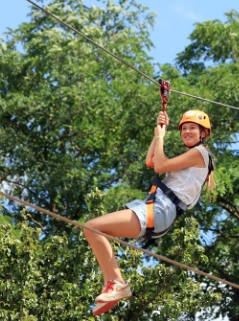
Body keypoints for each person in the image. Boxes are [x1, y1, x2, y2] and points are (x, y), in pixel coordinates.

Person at [83, 109, 215, 315]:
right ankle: (113, 283)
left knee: (92, 227)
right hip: (160, 211)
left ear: (203, 134)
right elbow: (152, 161)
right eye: (184, 128)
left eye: (192, 128)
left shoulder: (200, 153)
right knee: (95, 230)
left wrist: (162, 136)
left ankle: (117, 282)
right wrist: (158, 133)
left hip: (161, 209)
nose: (187, 132)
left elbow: (160, 166)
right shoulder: (191, 159)